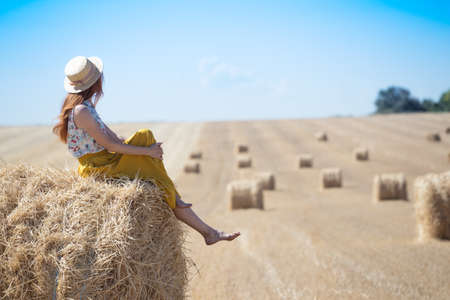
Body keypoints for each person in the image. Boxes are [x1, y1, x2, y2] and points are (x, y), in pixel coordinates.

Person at [53, 56, 240, 245]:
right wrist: (147, 152)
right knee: (150, 158)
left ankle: (181, 203)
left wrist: (144, 146)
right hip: (99, 168)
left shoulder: (87, 107)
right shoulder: (81, 112)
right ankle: (190, 213)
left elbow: (115, 138)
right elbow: (110, 146)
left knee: (145, 136)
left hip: (107, 160)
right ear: (96, 82)